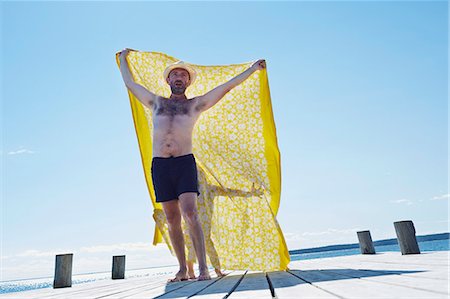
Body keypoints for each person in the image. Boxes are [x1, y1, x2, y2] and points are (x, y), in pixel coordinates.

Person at [118, 48, 266, 282]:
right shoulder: (156, 103)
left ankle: (204, 269)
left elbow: (225, 87)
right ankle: (182, 269)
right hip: (160, 166)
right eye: (175, 74)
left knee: (190, 213)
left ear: (187, 81)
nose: (179, 78)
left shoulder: (194, 105)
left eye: (183, 75)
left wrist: (251, 70)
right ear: (168, 80)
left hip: (185, 163)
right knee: (172, 219)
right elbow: (130, 84)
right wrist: (124, 59)